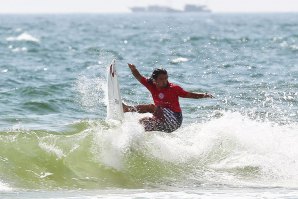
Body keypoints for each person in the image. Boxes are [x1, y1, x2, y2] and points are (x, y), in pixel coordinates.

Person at [123, 63, 213, 133]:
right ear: (155, 80)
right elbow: (139, 77)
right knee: (142, 123)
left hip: (175, 120)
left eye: (166, 78)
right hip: (163, 122)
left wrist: (203, 95)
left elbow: (189, 95)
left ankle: (126, 109)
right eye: (161, 79)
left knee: (152, 107)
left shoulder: (173, 88)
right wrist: (133, 69)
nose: (164, 81)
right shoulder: (151, 85)